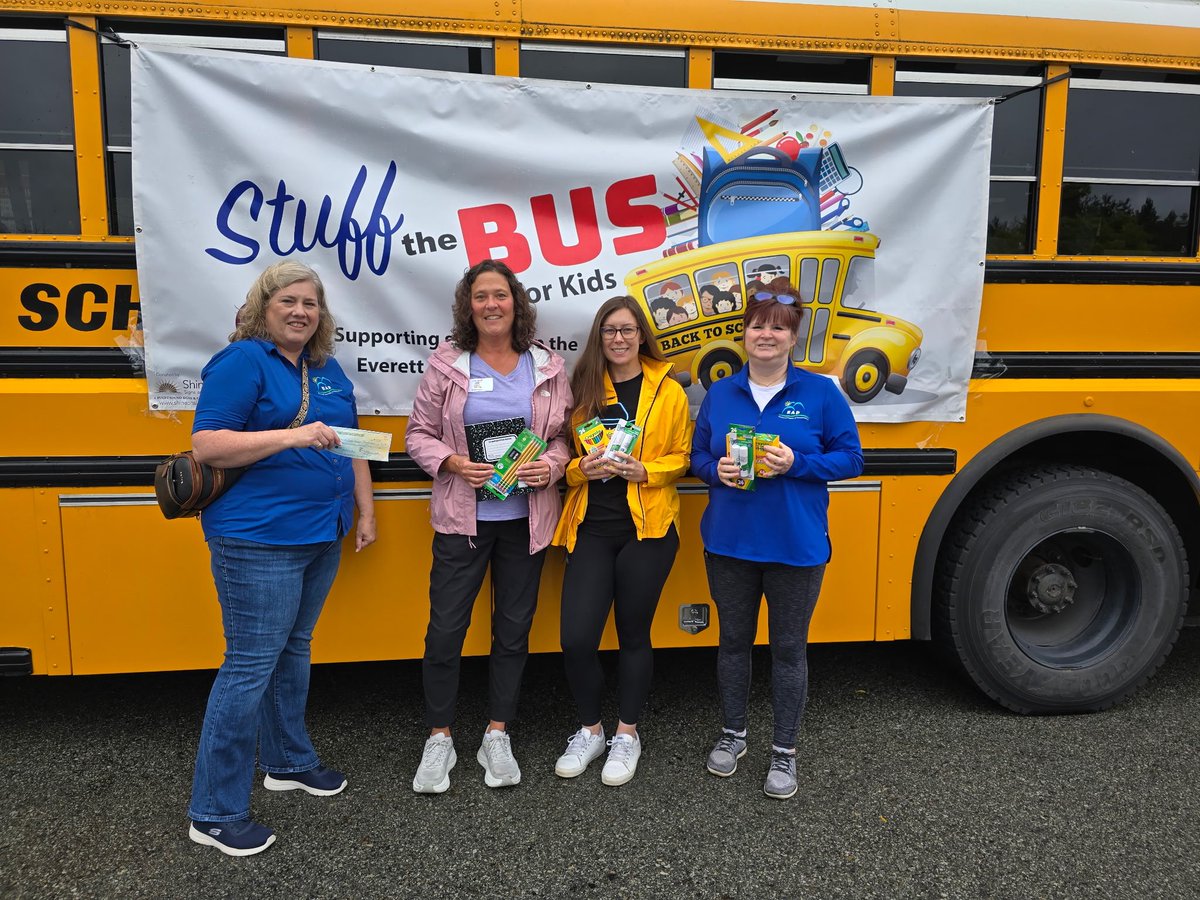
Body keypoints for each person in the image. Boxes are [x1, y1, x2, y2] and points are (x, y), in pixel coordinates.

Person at [186, 261, 377, 856]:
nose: (300, 311)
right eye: (288, 301)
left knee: (293, 650)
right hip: (257, 538)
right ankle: (213, 812)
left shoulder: (326, 369)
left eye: (311, 304)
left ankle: (288, 761)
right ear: (264, 306)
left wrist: (365, 511)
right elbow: (208, 443)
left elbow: (354, 442)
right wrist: (294, 436)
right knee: (249, 666)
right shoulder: (242, 361)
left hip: (322, 531)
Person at [690, 286, 863, 800]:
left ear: (793, 336)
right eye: (758, 325)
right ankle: (734, 734)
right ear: (743, 333)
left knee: (788, 651)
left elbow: (852, 460)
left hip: (796, 546)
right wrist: (713, 471)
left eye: (778, 326)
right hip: (729, 544)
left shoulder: (822, 393)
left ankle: (784, 753)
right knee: (733, 643)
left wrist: (798, 464)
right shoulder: (721, 393)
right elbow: (697, 456)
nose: (766, 335)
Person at [406, 258, 572, 793]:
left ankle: (496, 733)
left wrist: (552, 464)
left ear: (515, 302)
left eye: (500, 295)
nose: (491, 305)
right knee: (445, 631)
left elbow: (565, 436)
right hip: (463, 520)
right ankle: (439, 738)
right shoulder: (448, 363)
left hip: (525, 521)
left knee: (513, 631)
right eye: (481, 296)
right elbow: (418, 434)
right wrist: (452, 463)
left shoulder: (545, 364)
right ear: (468, 305)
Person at [552, 296, 692, 786]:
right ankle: (590, 730)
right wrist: (578, 469)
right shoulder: (584, 389)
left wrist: (646, 470)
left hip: (648, 530)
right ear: (599, 336)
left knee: (634, 634)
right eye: (610, 330)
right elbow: (562, 460)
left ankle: (626, 734)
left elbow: (683, 456)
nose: (619, 338)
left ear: (641, 335)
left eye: (628, 329)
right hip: (590, 527)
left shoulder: (668, 390)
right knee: (576, 639)